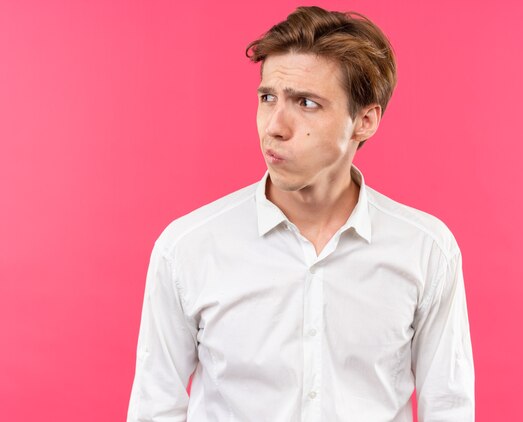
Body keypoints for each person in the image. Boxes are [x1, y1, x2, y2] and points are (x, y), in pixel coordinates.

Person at [127, 6, 474, 422]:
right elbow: (154, 407)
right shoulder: (186, 249)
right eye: (267, 97)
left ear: (365, 120)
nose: (274, 125)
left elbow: (448, 408)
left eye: (306, 103)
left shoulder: (426, 251)